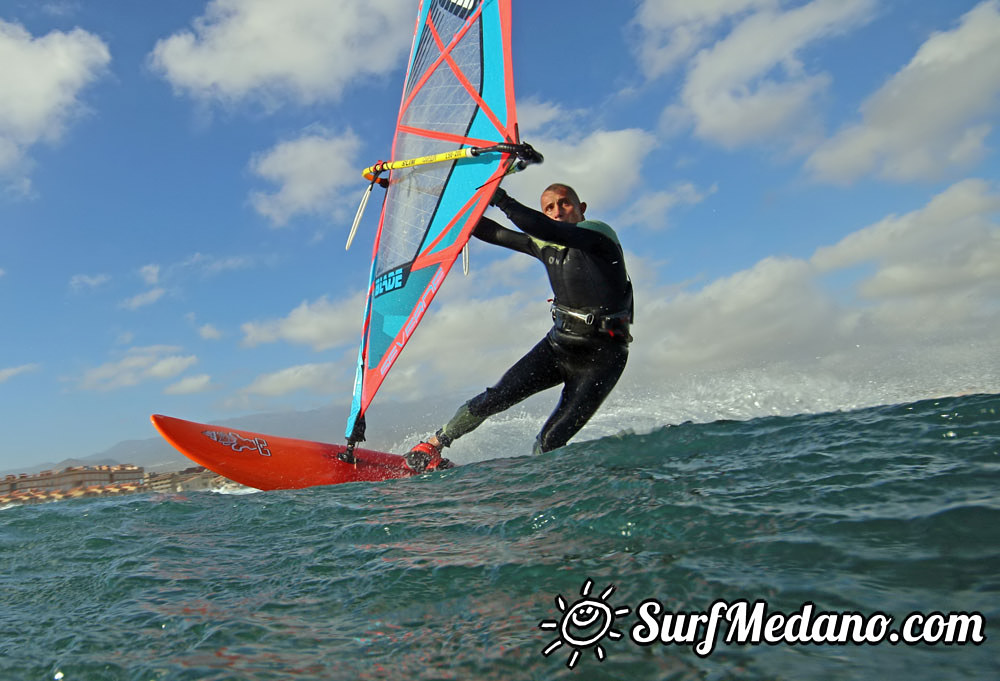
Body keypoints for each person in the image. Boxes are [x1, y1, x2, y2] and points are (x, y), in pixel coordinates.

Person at [405, 183, 633, 472]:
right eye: (549, 208)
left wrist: (500, 198)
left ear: (581, 208)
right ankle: (434, 445)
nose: (557, 211)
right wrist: (449, 205)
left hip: (602, 359)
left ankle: (550, 487)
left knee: (550, 442)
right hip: (559, 345)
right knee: (497, 395)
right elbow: (496, 233)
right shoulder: (545, 244)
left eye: (564, 204)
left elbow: (546, 230)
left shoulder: (599, 234)